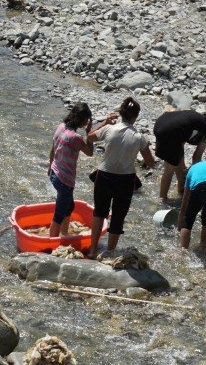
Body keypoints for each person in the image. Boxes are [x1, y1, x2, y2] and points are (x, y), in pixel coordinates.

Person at [86, 97, 156, 258]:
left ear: (120, 114)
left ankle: (92, 251)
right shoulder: (140, 138)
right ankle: (109, 254)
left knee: (99, 213)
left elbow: (89, 137)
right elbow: (151, 163)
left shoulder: (109, 129)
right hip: (125, 180)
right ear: (136, 117)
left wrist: (105, 122)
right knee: (118, 217)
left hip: (104, 176)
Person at [48, 103, 114, 238]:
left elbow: (52, 150)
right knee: (58, 216)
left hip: (54, 173)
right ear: (83, 120)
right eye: (87, 119)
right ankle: (51, 245)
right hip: (65, 180)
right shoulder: (75, 138)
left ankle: (64, 234)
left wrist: (50, 166)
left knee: (69, 207)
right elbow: (90, 152)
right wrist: (88, 131)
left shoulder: (60, 127)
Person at [153, 109, 206, 201]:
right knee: (169, 168)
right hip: (170, 132)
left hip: (160, 124)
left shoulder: (197, 119)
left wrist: (183, 168)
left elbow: (181, 143)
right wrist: (196, 178)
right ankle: (162, 200)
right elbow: (196, 157)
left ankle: (181, 188)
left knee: (175, 160)